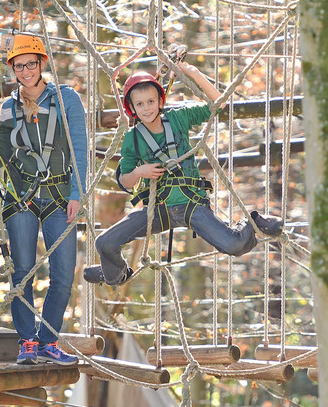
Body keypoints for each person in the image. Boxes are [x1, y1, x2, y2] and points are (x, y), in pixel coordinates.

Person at [83, 64, 283, 287]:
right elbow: (125, 181)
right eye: (140, 104)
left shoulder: (179, 118)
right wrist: (140, 172)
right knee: (104, 242)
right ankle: (114, 273)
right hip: (157, 209)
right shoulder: (133, 139)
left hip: (191, 204)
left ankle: (253, 222)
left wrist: (194, 73)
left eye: (151, 101)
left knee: (234, 246)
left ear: (160, 101)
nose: (147, 108)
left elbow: (219, 104)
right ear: (132, 108)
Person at [0, 33, 88, 365]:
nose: (25, 71)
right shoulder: (10, 106)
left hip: (58, 195)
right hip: (21, 198)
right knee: (22, 272)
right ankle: (27, 341)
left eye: (30, 64)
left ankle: (48, 340)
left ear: (42, 64)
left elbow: (79, 150)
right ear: (12, 69)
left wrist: (77, 194)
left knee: (65, 273)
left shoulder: (67, 99)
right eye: (18, 66)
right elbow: (1, 158)